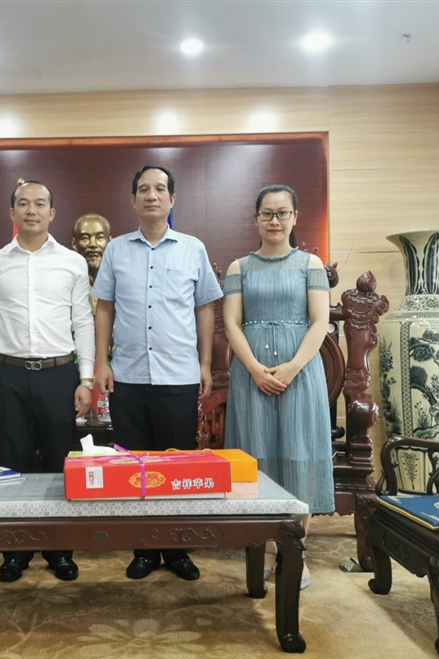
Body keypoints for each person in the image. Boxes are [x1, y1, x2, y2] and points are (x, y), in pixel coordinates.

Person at [92, 165, 223, 581]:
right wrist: (101, 361)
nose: (152, 195)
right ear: (133, 200)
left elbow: (205, 308)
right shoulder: (116, 250)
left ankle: (177, 548)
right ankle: (144, 550)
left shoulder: (192, 249)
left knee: (176, 466)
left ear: (172, 199)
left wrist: (205, 364)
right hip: (128, 376)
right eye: (144, 189)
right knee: (135, 467)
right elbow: (104, 308)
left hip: (178, 375)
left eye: (160, 189)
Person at [0, 180, 95, 583]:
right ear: (12, 213)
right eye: (23, 204)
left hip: (58, 375)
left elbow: (83, 322)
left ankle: (60, 549)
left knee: (61, 463)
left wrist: (86, 378)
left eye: (40, 204)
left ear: (51, 213)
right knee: (13, 463)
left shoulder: (72, 263)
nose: (32, 210)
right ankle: (15, 551)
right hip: (7, 374)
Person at [221, 184, 334, 590]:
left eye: (282, 213)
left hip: (300, 375)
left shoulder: (310, 264)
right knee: (257, 455)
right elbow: (231, 323)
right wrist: (254, 369)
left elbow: (320, 321)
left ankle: (295, 554)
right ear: (256, 219)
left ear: (294, 218)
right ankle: (267, 549)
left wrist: (292, 367)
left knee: (300, 453)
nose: (275, 220)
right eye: (267, 213)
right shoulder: (239, 268)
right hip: (252, 375)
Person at [71, 213, 112, 313]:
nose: (93, 244)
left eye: (100, 237)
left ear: (110, 242)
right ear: (74, 244)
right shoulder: (67, 283)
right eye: (85, 238)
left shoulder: (120, 282)